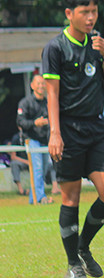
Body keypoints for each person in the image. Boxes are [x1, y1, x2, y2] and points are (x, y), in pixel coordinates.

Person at [42, 0, 104, 278]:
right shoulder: (55, 48)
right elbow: (51, 94)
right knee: (70, 198)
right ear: (69, 13)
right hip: (69, 129)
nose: (90, 18)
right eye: (84, 12)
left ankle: (84, 246)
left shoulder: (98, 43)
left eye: (94, 11)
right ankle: (73, 264)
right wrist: (55, 133)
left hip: (96, 127)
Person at [16, 74, 54, 204]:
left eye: (43, 83)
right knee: (37, 169)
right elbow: (20, 121)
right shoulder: (25, 103)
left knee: (43, 170)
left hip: (45, 140)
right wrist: (34, 123)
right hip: (32, 140)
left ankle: (33, 199)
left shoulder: (48, 102)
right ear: (32, 85)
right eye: (38, 83)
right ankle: (41, 198)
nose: (41, 86)